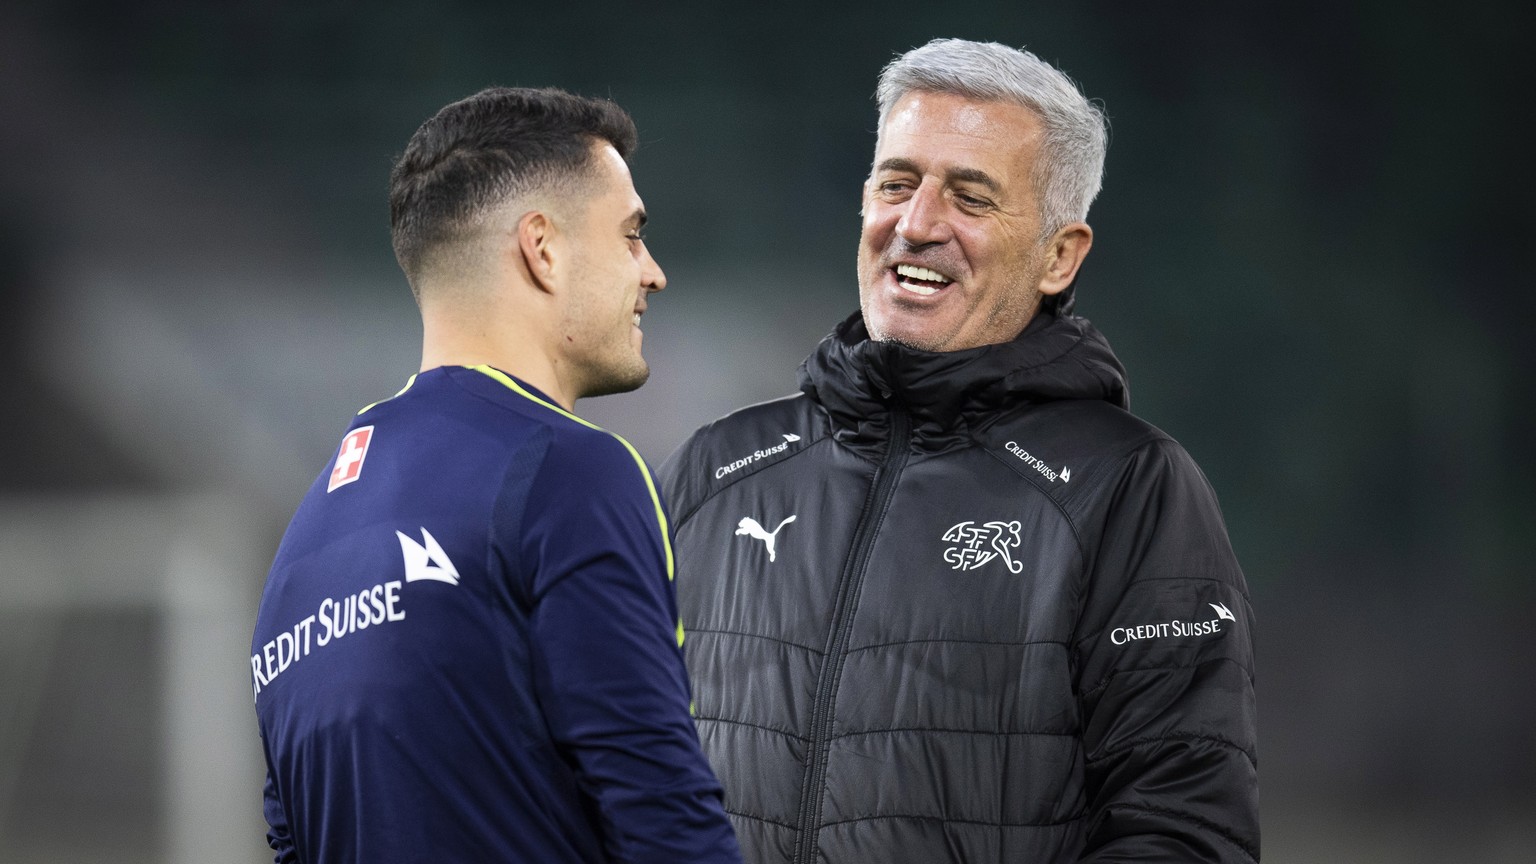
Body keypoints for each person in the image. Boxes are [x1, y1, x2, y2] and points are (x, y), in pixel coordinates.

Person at [659, 38, 1259, 863]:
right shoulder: (715, 470)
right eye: (896, 184)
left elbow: (1184, 833)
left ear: (1059, 255)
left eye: (970, 199)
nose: (917, 224)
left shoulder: (1128, 487)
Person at [250, 86, 741, 864]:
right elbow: (663, 814)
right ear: (542, 248)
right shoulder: (569, 472)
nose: (653, 272)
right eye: (632, 234)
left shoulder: (302, 545)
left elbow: (290, 845)